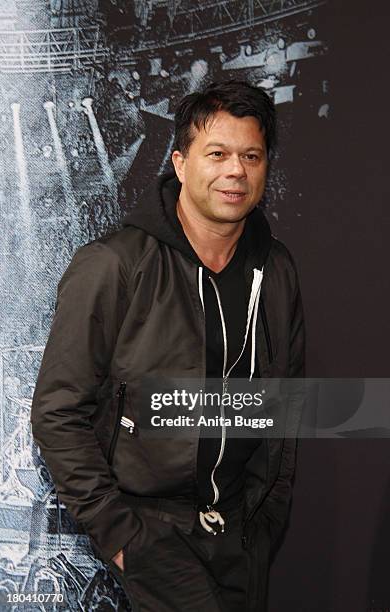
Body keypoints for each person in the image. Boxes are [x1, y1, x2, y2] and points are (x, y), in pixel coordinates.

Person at [30, 80, 305, 612]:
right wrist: (121, 534)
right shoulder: (113, 265)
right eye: (217, 154)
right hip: (152, 532)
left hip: (243, 534)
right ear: (179, 163)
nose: (236, 171)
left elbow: (285, 402)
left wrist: (269, 513)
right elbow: (57, 412)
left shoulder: (277, 269)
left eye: (251, 155)